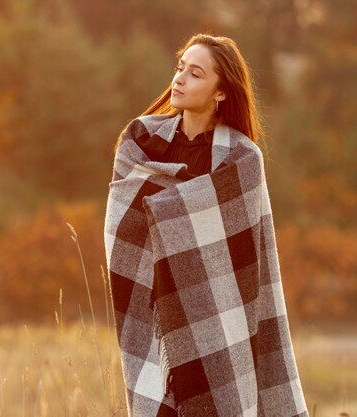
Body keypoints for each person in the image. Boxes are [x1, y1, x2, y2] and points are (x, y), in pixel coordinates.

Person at [104, 34, 309, 416]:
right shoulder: (142, 141)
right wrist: (174, 212)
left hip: (218, 316)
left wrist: (166, 212)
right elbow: (124, 221)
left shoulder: (242, 159)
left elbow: (247, 259)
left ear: (220, 92)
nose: (179, 78)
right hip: (155, 313)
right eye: (180, 67)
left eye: (195, 73)